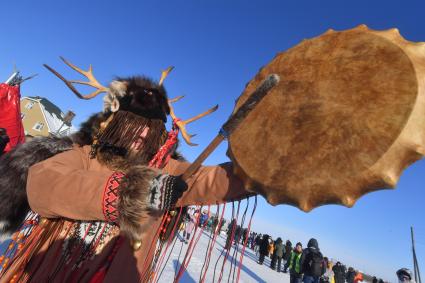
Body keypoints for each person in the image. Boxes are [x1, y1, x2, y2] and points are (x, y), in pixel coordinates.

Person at [0, 71, 253, 282]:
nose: (143, 133)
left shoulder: (166, 172)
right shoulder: (87, 155)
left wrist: (262, 170)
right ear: (116, 123)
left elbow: (210, 181)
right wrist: (132, 192)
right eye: (134, 122)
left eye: (152, 128)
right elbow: (43, 183)